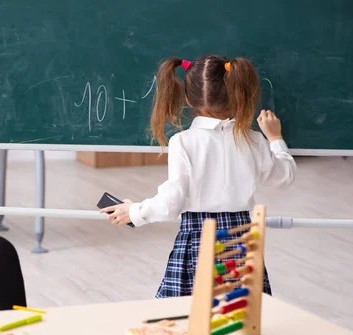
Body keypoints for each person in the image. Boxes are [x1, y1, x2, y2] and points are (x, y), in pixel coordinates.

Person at [100, 55, 296, 298]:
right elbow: (285, 176)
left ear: (187, 99)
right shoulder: (254, 139)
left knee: (189, 314)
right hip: (242, 241)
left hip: (199, 239)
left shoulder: (183, 142)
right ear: (235, 91)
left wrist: (134, 212)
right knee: (240, 314)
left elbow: (172, 201)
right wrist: (275, 138)